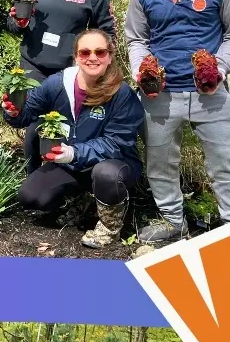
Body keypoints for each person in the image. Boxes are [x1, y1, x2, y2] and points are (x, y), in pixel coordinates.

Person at [125, 0, 230, 245]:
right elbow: (136, 38)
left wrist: (219, 68)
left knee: (225, 165)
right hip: (160, 97)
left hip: (211, 95)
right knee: (160, 164)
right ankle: (173, 223)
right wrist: (142, 71)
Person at [7, 28, 145, 249]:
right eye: (85, 52)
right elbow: (26, 114)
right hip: (72, 164)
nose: (92, 58)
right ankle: (86, 201)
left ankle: (109, 227)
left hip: (116, 163)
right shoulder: (57, 84)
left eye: (100, 52)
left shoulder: (122, 93)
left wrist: (73, 152)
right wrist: (13, 111)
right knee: (31, 197)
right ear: (76, 57)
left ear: (109, 57)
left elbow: (116, 143)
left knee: (105, 174)